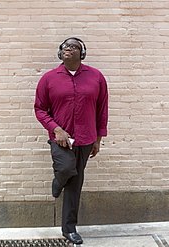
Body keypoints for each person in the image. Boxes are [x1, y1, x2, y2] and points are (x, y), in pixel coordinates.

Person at [34, 37, 109, 244]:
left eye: (74, 47)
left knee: (76, 183)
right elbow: (40, 109)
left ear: (81, 53)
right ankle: (58, 182)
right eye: (65, 46)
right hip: (61, 139)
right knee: (66, 170)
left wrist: (98, 138)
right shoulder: (49, 79)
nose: (69, 49)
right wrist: (56, 129)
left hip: (86, 139)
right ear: (60, 52)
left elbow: (102, 109)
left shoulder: (96, 77)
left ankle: (69, 229)